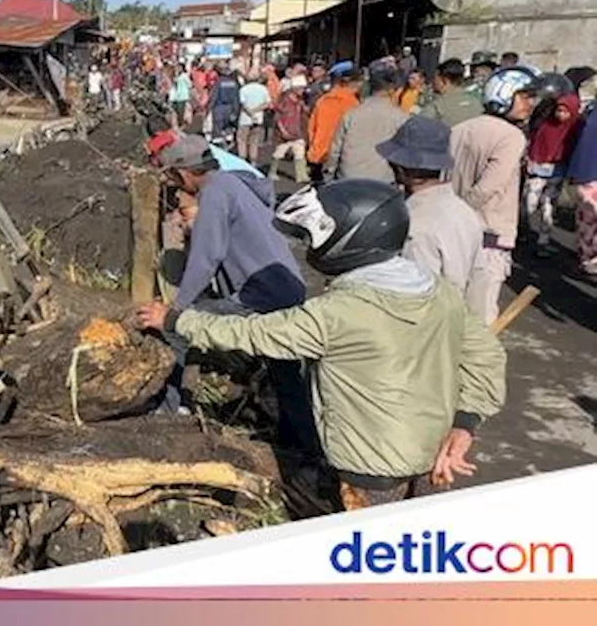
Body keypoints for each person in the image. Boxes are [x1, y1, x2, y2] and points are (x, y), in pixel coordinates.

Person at [140, 179, 507, 509]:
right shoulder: (436, 290)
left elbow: (252, 333)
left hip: (370, 466)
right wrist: (465, 422)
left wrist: (176, 319)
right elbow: (487, 355)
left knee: (369, 558)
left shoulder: (337, 313)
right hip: (435, 451)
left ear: (349, 241)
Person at [139, 133, 312, 452]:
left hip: (260, 294)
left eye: (176, 179)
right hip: (287, 286)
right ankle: (302, 441)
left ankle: (172, 411)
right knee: (284, 367)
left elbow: (207, 257)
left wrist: (176, 309)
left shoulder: (215, 193)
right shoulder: (235, 183)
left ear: (187, 173)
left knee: (176, 331)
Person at [450, 65, 539, 325]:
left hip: (456, 231)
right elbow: (489, 187)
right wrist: (465, 212)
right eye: (523, 97)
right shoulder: (512, 137)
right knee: (481, 316)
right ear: (504, 94)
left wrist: (453, 215)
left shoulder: (461, 128)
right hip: (488, 234)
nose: (530, 104)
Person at [378, 116, 482, 302]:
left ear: (400, 168)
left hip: (427, 321)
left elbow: (415, 296)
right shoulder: (465, 212)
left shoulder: (415, 223)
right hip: (457, 314)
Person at [325, 67, 409, 184]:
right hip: (383, 179)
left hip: (348, 176)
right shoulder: (401, 117)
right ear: (392, 90)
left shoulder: (351, 114)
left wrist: (329, 175)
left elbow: (335, 150)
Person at [524, 93, 582, 255]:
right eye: (559, 110)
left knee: (548, 205)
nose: (561, 115)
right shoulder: (546, 124)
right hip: (538, 168)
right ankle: (526, 226)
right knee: (530, 201)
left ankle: (543, 238)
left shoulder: (575, 128)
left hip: (558, 170)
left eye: (565, 111)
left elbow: (575, 151)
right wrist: (530, 160)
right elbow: (536, 143)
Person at [569, 113, 597, 278]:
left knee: (587, 222)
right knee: (587, 221)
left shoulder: (591, 116)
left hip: (587, 175)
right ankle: (588, 258)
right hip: (588, 176)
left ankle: (588, 258)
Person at [270, 72, 310, 183]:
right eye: (301, 88)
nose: (303, 91)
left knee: (299, 154)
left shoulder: (300, 101)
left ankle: (301, 176)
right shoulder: (284, 100)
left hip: (297, 132)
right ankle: (272, 172)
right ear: (295, 88)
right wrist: (282, 130)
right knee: (279, 153)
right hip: (286, 132)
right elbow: (277, 117)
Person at [422, 58, 483, 127]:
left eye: (435, 78)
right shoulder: (477, 103)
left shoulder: (437, 106)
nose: (433, 81)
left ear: (444, 80)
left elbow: (419, 129)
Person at [237, 70, 270, 164]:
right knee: (254, 141)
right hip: (258, 118)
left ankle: (242, 160)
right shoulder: (264, 89)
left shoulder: (244, 89)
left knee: (242, 140)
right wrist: (256, 110)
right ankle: (253, 161)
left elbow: (242, 104)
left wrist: (250, 112)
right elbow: (267, 103)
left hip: (245, 118)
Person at [208, 67, 242, 143]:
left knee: (217, 127)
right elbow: (236, 98)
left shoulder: (218, 82)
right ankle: (228, 142)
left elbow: (214, 96)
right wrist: (235, 111)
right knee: (228, 126)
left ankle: (218, 144)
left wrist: (209, 108)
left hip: (219, 107)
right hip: (230, 107)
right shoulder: (234, 83)